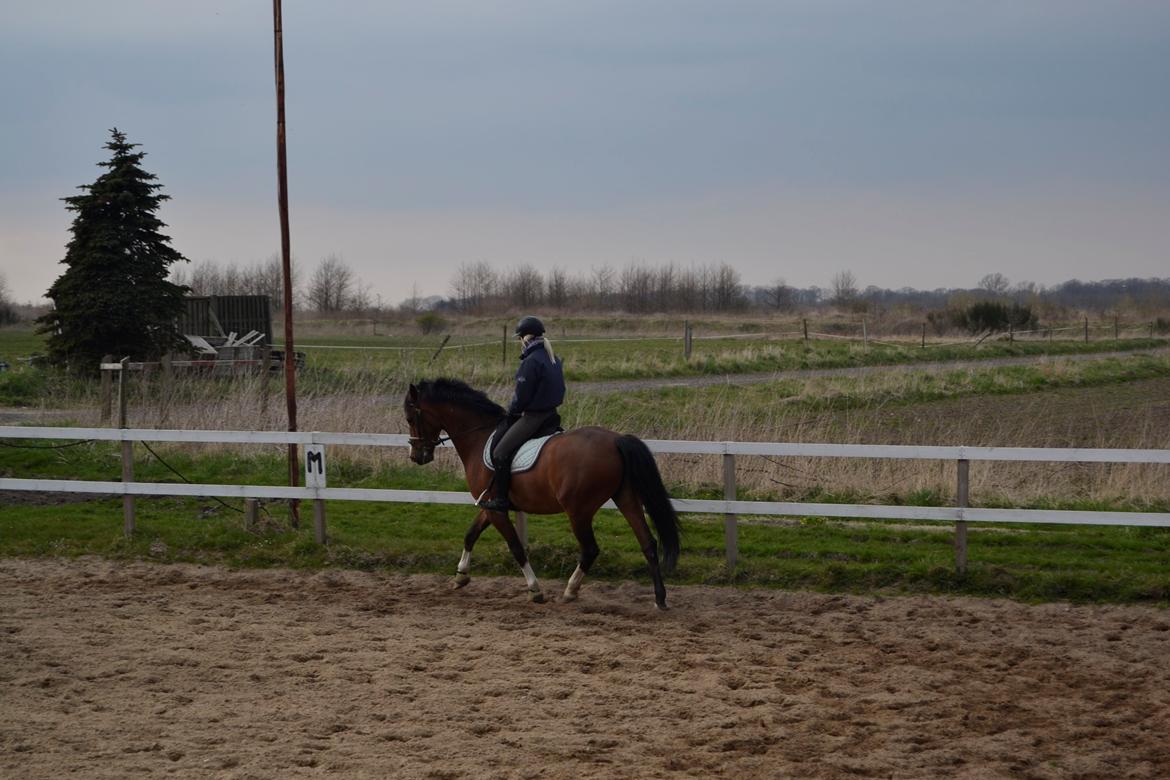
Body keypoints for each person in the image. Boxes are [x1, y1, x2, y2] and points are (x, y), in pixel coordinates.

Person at [478, 315, 565, 512]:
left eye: (519, 339)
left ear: (524, 338)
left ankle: (501, 500)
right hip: (551, 415)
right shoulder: (553, 358)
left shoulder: (531, 361)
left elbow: (522, 396)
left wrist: (511, 412)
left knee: (500, 453)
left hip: (533, 417)